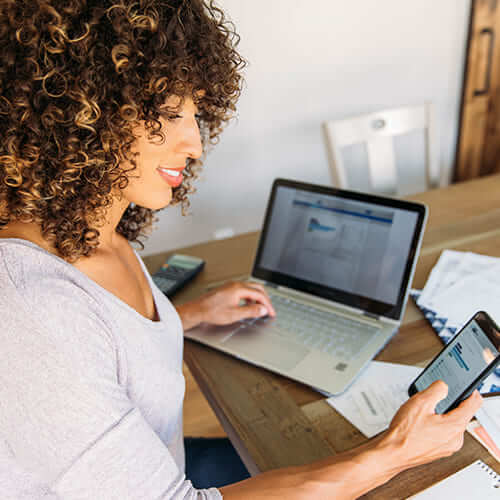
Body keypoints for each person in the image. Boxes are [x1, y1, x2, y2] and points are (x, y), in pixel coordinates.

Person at [0, 1, 482, 498]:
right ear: (79, 112)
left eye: (195, 111)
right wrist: (393, 453)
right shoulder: (30, 313)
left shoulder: (90, 232)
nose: (194, 144)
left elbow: (103, 345)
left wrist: (186, 315)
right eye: (168, 113)